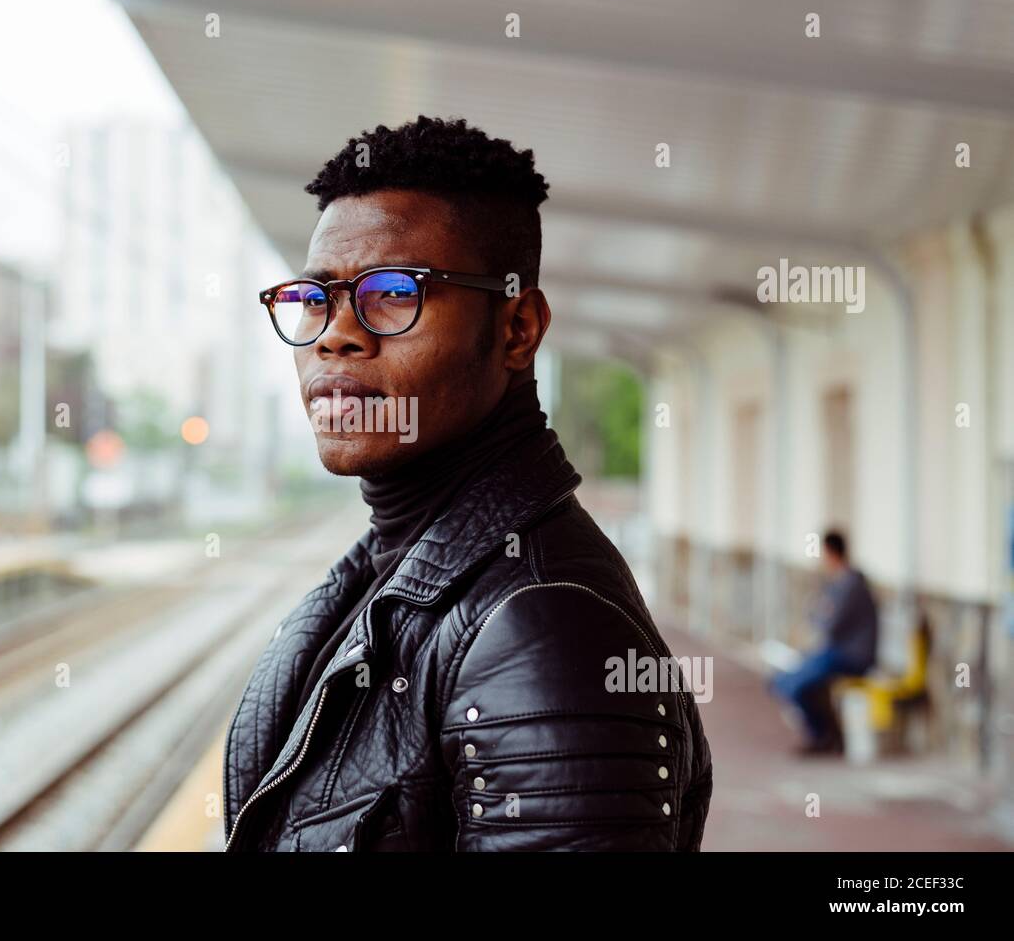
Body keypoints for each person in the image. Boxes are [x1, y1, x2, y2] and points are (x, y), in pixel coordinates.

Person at [222, 115, 712, 851]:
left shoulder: (544, 630)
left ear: (517, 328)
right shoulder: (383, 579)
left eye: (393, 291)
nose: (335, 333)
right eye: (316, 298)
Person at [769, 530, 879, 754]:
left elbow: (828, 623)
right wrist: (822, 611)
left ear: (830, 552)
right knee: (781, 680)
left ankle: (823, 736)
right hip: (836, 651)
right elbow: (818, 614)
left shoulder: (851, 585)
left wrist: (823, 611)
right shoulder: (839, 583)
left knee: (795, 685)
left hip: (851, 656)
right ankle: (824, 734)